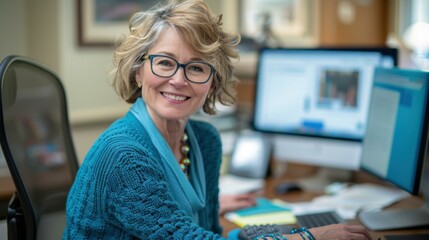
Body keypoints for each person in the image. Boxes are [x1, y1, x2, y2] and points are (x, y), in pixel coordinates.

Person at [63, 0, 373, 239]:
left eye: (196, 68)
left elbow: (210, 233)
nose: (179, 80)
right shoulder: (124, 156)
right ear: (137, 70)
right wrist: (306, 236)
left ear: (213, 81)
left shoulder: (205, 143)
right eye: (165, 63)